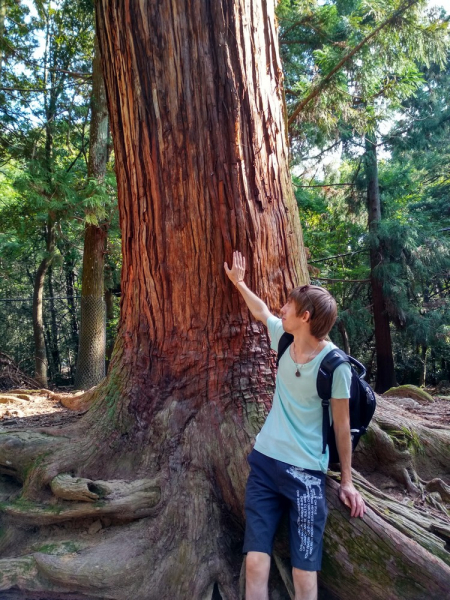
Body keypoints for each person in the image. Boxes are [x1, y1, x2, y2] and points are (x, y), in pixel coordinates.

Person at [224, 251, 366, 600]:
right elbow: (262, 312)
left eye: (289, 305)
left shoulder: (336, 367)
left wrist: (347, 481)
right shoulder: (285, 341)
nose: (282, 309)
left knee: (305, 572)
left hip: (306, 477)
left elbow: (343, 425)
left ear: (305, 316)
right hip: (265, 463)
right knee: (256, 561)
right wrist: (239, 283)